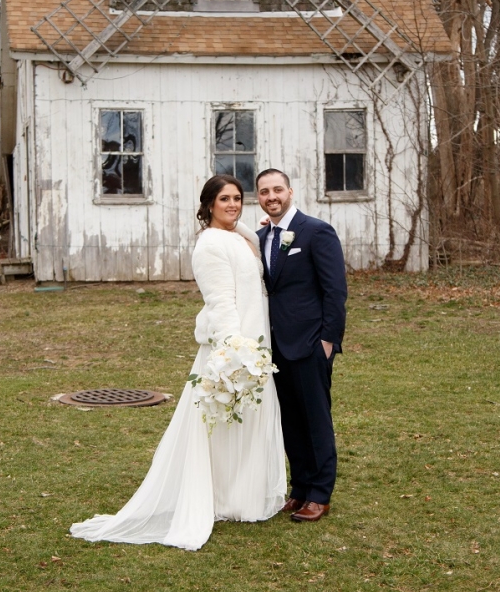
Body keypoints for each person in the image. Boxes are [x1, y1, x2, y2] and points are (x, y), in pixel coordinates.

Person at [70, 174, 286, 551]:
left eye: (237, 198)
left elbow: (252, 245)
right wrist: (235, 354)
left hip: (259, 341)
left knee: (249, 423)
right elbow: (220, 302)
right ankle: (221, 497)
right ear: (208, 206)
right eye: (224, 200)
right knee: (222, 425)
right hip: (235, 348)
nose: (233, 205)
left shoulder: (242, 236)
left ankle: (242, 496)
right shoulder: (209, 245)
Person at [256, 168, 347, 523]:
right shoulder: (264, 235)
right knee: (290, 420)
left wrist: (328, 340)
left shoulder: (317, 231)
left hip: (310, 343)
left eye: (277, 189)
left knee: (315, 419)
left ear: (290, 192)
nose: (272, 196)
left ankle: (320, 494)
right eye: (264, 191)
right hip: (276, 345)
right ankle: (300, 488)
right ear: (259, 197)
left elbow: (335, 291)